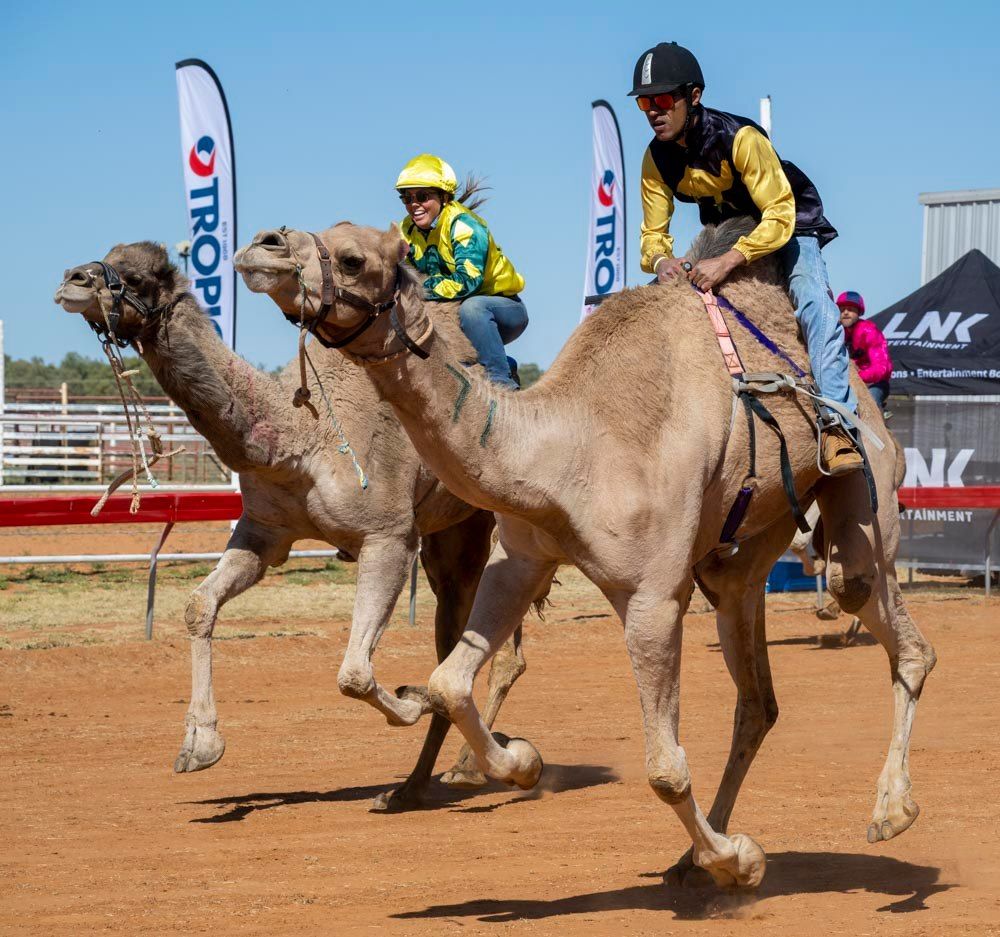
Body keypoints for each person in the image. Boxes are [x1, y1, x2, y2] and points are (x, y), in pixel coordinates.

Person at [630, 42, 862, 476]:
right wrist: (662, 261)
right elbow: (652, 235)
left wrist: (727, 262)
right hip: (728, 229)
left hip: (790, 223)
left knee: (813, 301)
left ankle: (838, 426)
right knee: (647, 303)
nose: (653, 111)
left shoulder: (741, 138)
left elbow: (778, 213)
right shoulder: (654, 157)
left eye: (663, 100)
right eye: (645, 102)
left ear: (693, 96)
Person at [396, 154, 527, 390]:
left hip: (502, 309)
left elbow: (466, 283)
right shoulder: (407, 228)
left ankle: (503, 383)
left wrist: (416, 286)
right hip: (454, 312)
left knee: (473, 308)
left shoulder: (464, 226)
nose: (413, 204)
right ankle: (495, 364)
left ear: (444, 197)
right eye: (406, 197)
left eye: (422, 196)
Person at [836, 290, 892, 410]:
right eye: (842, 309)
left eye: (850, 309)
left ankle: (879, 426)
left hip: (874, 384)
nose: (845, 312)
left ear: (859, 312)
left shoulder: (870, 331)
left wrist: (858, 377)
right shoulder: (837, 332)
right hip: (849, 382)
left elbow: (883, 367)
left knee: (869, 405)